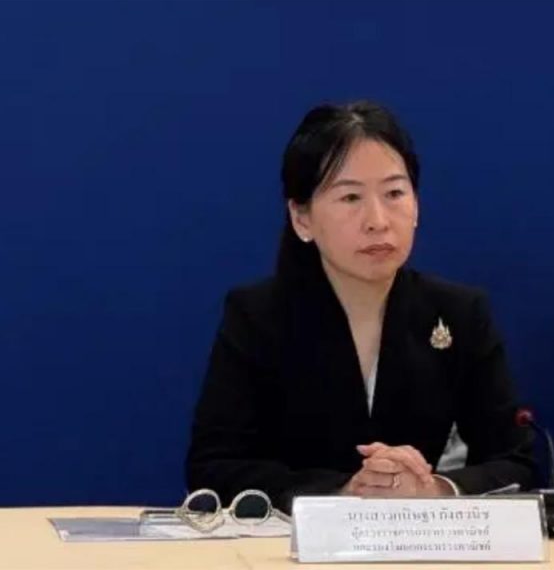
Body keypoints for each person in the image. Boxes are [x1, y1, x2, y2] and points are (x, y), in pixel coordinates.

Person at [185, 100, 535, 514]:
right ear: (302, 218)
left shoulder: (460, 314)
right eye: (350, 197)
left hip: (425, 542)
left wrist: (435, 489)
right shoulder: (257, 316)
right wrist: (344, 492)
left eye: (394, 193)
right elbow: (213, 467)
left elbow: (518, 463)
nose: (378, 220)